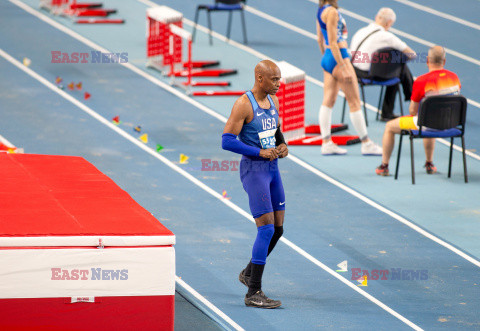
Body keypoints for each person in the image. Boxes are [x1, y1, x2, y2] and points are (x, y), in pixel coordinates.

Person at [222, 60, 288, 309]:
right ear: (260, 78)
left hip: (273, 170)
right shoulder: (243, 104)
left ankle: (248, 273)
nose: (278, 84)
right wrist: (258, 153)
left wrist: (282, 145)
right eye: (274, 80)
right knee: (266, 229)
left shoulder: (274, 101)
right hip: (254, 170)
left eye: (279, 79)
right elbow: (227, 141)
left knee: (278, 230)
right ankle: (253, 292)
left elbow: (276, 131)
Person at [376, 46, 461, 176]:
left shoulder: (422, 81)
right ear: (444, 61)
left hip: (427, 124)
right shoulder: (454, 77)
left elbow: (412, 110)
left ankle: (384, 166)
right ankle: (429, 163)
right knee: (429, 119)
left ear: (427, 61)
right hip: (450, 124)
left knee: (389, 126)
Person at [316, 0, 382, 155]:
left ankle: (326, 142)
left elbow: (320, 38)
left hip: (328, 57)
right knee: (354, 102)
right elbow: (334, 42)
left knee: (328, 100)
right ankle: (366, 143)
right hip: (339, 57)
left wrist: (326, 59)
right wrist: (343, 66)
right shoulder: (332, 12)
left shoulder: (320, 10)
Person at [350, 8, 416, 121]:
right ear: (389, 23)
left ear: (376, 17)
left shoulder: (360, 31)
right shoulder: (386, 36)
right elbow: (412, 54)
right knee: (399, 68)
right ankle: (411, 99)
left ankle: (410, 97)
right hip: (370, 74)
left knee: (396, 68)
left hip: (353, 71)